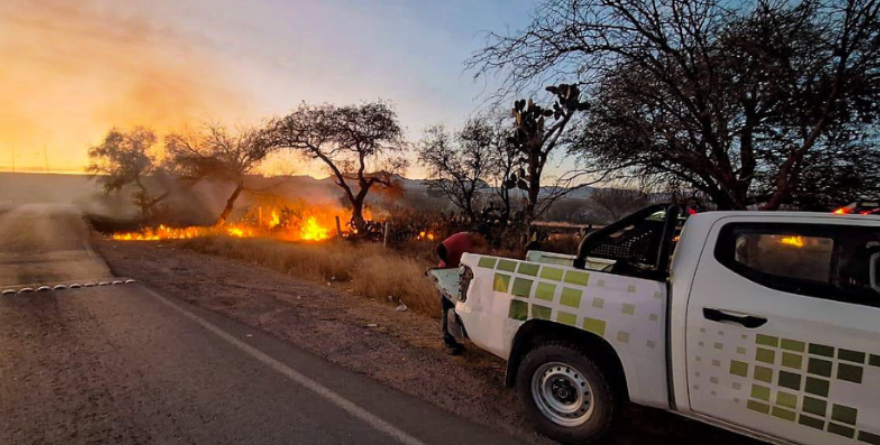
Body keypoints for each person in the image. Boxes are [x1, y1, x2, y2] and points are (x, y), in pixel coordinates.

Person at [436, 225, 488, 355]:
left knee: (458, 308)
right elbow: (440, 248)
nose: (484, 241)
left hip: (458, 278)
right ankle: (448, 340)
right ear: (477, 234)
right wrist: (449, 265)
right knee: (447, 307)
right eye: (484, 238)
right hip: (446, 276)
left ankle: (456, 338)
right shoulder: (460, 238)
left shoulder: (474, 245)